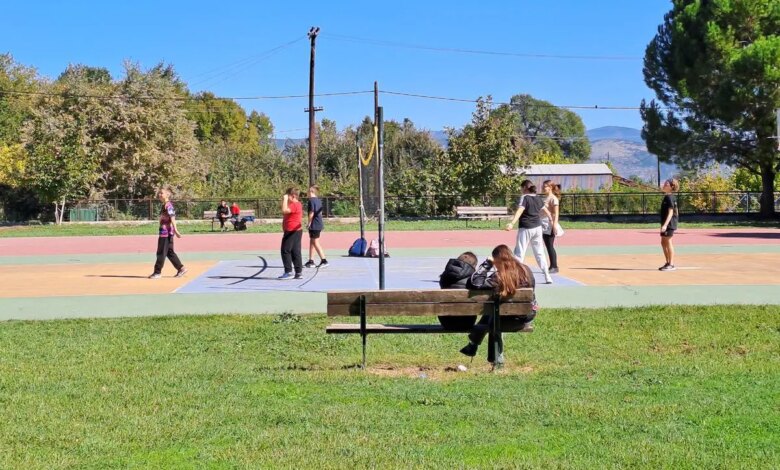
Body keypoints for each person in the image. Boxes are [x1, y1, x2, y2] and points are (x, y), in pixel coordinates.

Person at [459, 244, 537, 363]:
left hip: (506, 320)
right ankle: (473, 345)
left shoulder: (499, 277)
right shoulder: (526, 270)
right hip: (526, 317)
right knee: (492, 315)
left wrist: (487, 264)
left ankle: (490, 356)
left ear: (496, 260)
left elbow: (474, 283)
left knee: (493, 319)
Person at [505, 180, 554, 284]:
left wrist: (512, 223)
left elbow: (520, 210)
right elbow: (545, 210)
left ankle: (516, 277)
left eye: (521, 188)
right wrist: (551, 219)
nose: (520, 190)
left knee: (520, 252)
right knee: (540, 252)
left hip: (526, 227)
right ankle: (547, 276)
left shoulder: (524, 197)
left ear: (524, 188)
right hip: (537, 228)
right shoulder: (537, 197)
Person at [148, 188, 187, 279]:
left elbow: (172, 217)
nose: (159, 195)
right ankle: (181, 268)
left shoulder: (168, 205)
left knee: (161, 252)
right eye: (159, 193)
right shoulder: (164, 205)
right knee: (169, 252)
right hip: (164, 232)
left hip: (166, 233)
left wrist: (176, 230)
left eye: (162, 193)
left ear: (167, 195)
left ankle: (157, 272)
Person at [437, 251, 479, 331]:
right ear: (473, 266)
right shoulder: (473, 280)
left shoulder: (444, 276)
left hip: (446, 321)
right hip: (467, 321)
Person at [279, 187, 303, 280]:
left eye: (288, 195)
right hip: (294, 230)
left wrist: (285, 199)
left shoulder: (295, 204)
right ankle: (298, 272)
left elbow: (284, 210)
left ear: (293, 196)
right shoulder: (295, 204)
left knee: (285, 250)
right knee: (295, 251)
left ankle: (288, 271)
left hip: (292, 231)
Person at [304, 185, 328, 268]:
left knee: (315, 242)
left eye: (307, 192)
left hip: (314, 225)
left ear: (311, 192)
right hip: (318, 224)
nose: (307, 194)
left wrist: (309, 223)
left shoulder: (311, 201)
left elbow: (312, 213)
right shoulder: (318, 200)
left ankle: (324, 260)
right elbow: (320, 213)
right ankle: (311, 261)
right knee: (312, 242)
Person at [540, 180, 561, 273]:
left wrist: (555, 225)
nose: (543, 188)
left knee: (550, 245)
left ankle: (554, 266)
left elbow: (556, 213)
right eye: (543, 186)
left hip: (550, 224)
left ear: (550, 187)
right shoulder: (545, 198)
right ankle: (551, 266)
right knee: (547, 245)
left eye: (545, 186)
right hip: (543, 224)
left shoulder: (553, 199)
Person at [659, 178, 680, 271]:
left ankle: (671, 264)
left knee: (668, 241)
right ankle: (667, 262)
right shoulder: (667, 196)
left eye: (666, 184)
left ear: (671, 187)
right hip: (666, 223)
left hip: (669, 223)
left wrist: (665, 225)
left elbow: (671, 212)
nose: (664, 184)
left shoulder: (669, 197)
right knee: (663, 242)